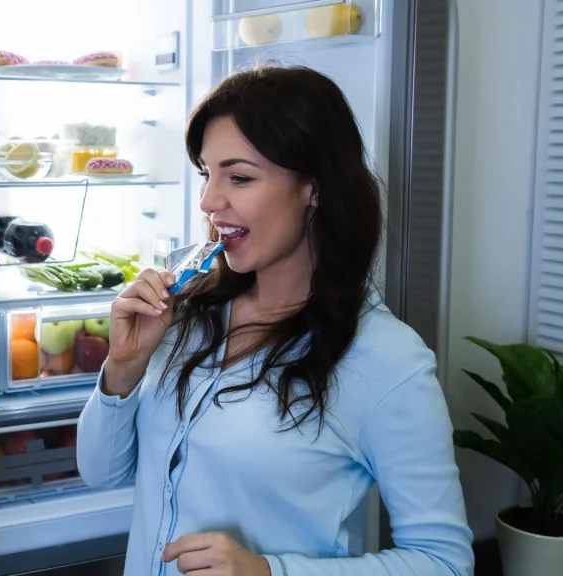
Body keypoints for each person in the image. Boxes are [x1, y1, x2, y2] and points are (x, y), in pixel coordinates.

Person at [75, 65, 474, 576]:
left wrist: (270, 572)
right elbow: (101, 472)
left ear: (314, 187)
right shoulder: (187, 316)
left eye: (239, 177)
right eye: (206, 173)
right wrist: (124, 367)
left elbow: (444, 562)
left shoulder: (386, 360)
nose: (209, 202)